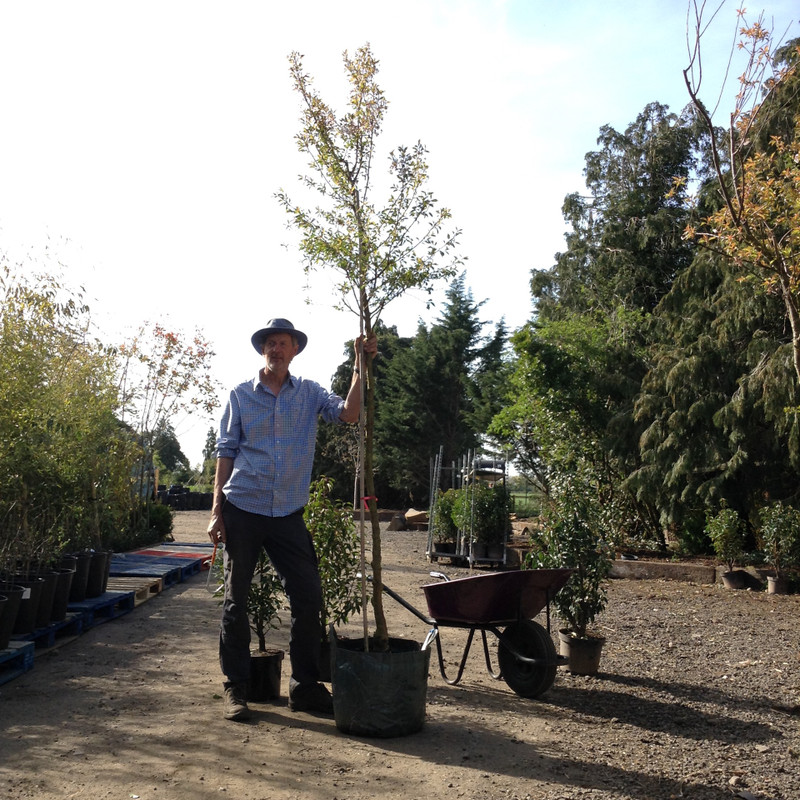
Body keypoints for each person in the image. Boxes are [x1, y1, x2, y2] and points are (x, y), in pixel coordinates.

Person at [207, 317, 376, 722]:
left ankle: (305, 687)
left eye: (282, 343)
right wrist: (216, 510)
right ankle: (236, 687)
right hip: (243, 508)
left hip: (287, 513)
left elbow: (349, 414)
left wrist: (359, 362)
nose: (276, 349)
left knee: (308, 598)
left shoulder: (310, 393)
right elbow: (225, 451)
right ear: (262, 350)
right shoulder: (240, 395)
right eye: (270, 343)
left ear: (295, 349)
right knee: (236, 600)